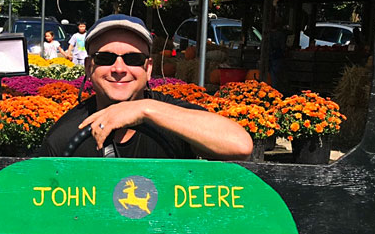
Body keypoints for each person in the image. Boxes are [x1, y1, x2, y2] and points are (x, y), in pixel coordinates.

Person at [38, 14, 252, 160]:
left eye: (133, 58)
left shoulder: (171, 116)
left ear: (148, 68)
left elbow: (240, 145)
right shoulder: (64, 136)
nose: (119, 68)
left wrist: (144, 110)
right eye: (105, 58)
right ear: (88, 67)